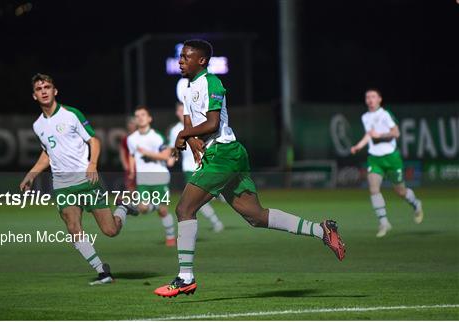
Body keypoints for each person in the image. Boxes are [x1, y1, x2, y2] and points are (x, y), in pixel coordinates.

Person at [154, 40, 346, 298]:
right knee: (256, 216)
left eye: (186, 57)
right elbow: (190, 122)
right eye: (180, 57)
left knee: (184, 209)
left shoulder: (212, 83)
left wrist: (184, 134)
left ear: (201, 60)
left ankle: (185, 277)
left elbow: (211, 124)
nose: (180, 61)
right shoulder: (187, 88)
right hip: (222, 155)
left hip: (224, 152)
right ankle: (321, 230)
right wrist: (188, 137)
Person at [19, 73, 134, 285]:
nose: (43, 91)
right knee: (73, 227)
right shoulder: (38, 126)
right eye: (39, 88)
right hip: (62, 185)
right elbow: (48, 152)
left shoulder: (71, 114)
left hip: (85, 179)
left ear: (55, 91)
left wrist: (92, 164)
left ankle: (124, 207)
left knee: (110, 231)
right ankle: (102, 271)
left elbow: (94, 140)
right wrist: (32, 174)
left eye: (47, 87)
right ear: (34, 96)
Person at [351, 88, 424, 238]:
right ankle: (384, 223)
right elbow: (370, 135)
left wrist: (381, 135)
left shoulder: (385, 114)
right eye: (367, 97)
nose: (370, 99)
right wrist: (358, 146)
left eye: (373, 96)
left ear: (379, 99)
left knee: (400, 192)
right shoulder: (365, 117)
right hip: (374, 159)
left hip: (391, 158)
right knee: (373, 189)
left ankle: (416, 204)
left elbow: (396, 133)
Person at [168, 101, 224, 232]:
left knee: (196, 201)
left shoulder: (198, 124)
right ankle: (216, 221)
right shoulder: (175, 130)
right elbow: (173, 148)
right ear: (177, 113)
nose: (183, 113)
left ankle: (220, 194)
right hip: (189, 168)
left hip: (206, 164)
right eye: (180, 110)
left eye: (185, 110)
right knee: (194, 201)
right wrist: (170, 159)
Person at [127, 106, 177, 247]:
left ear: (149, 118)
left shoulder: (156, 136)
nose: (140, 117)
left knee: (163, 210)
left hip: (159, 177)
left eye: (143, 115)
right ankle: (155, 206)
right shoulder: (131, 139)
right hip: (142, 179)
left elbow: (166, 156)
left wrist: (147, 153)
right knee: (142, 208)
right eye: (137, 116)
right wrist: (131, 170)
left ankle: (170, 236)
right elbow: (132, 155)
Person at [120, 116, 137, 191]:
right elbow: (122, 152)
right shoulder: (125, 138)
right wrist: (125, 165)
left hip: (140, 167)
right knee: (130, 188)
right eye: (130, 123)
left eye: (133, 123)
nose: (131, 125)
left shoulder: (140, 137)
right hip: (130, 167)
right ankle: (123, 201)